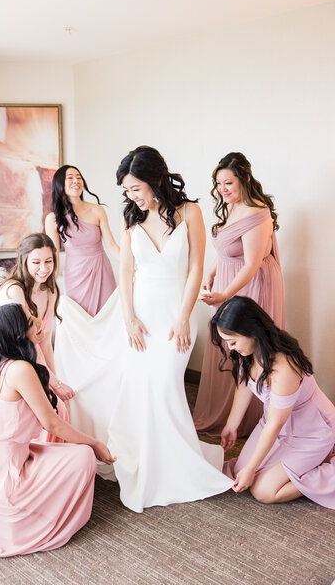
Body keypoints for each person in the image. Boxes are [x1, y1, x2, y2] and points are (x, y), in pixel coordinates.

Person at [54, 145, 233, 513]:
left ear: (155, 179)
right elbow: (125, 271)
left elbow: (196, 267)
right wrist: (128, 317)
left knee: (165, 383)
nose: (131, 195)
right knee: (144, 387)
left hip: (176, 311)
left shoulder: (190, 212)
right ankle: (152, 461)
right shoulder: (130, 217)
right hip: (141, 312)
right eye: (126, 190)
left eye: (135, 188)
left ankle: (176, 463)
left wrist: (184, 315)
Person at [0, 304, 116, 557]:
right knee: (84, 456)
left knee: (62, 452)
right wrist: (95, 444)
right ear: (18, 332)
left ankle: (36, 508)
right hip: (1, 478)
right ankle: (40, 521)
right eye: (31, 321)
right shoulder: (20, 369)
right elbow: (52, 423)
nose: (38, 323)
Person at [210, 296, 335, 508]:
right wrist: (231, 425)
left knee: (263, 490)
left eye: (233, 342)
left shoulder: (284, 368)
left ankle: (325, 463)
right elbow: (244, 385)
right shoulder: (248, 352)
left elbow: (275, 425)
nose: (230, 348)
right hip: (277, 425)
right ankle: (309, 461)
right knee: (241, 470)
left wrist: (251, 469)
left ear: (252, 331)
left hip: (312, 432)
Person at [193, 152, 285, 437]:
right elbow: (226, 248)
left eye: (228, 182)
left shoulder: (257, 212)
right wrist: (211, 272)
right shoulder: (231, 206)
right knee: (227, 344)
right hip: (228, 281)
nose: (223, 189)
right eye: (219, 183)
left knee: (248, 347)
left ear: (244, 178)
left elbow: (252, 264)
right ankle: (226, 412)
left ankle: (250, 418)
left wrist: (224, 296)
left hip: (250, 284)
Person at [0, 233, 73, 436]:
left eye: (48, 261)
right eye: (36, 262)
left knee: (61, 403)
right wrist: (54, 383)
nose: (44, 269)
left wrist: (55, 381)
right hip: (9, 364)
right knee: (54, 408)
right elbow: (23, 345)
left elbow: (44, 344)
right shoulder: (14, 291)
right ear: (24, 260)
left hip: (33, 360)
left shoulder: (50, 291)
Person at [45, 164, 119, 317]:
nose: (76, 181)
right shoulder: (52, 219)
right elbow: (54, 256)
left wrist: (132, 262)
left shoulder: (97, 210)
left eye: (79, 177)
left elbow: (111, 246)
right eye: (70, 178)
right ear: (60, 184)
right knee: (78, 319)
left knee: (107, 317)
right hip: (75, 275)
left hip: (101, 271)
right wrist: (49, 285)